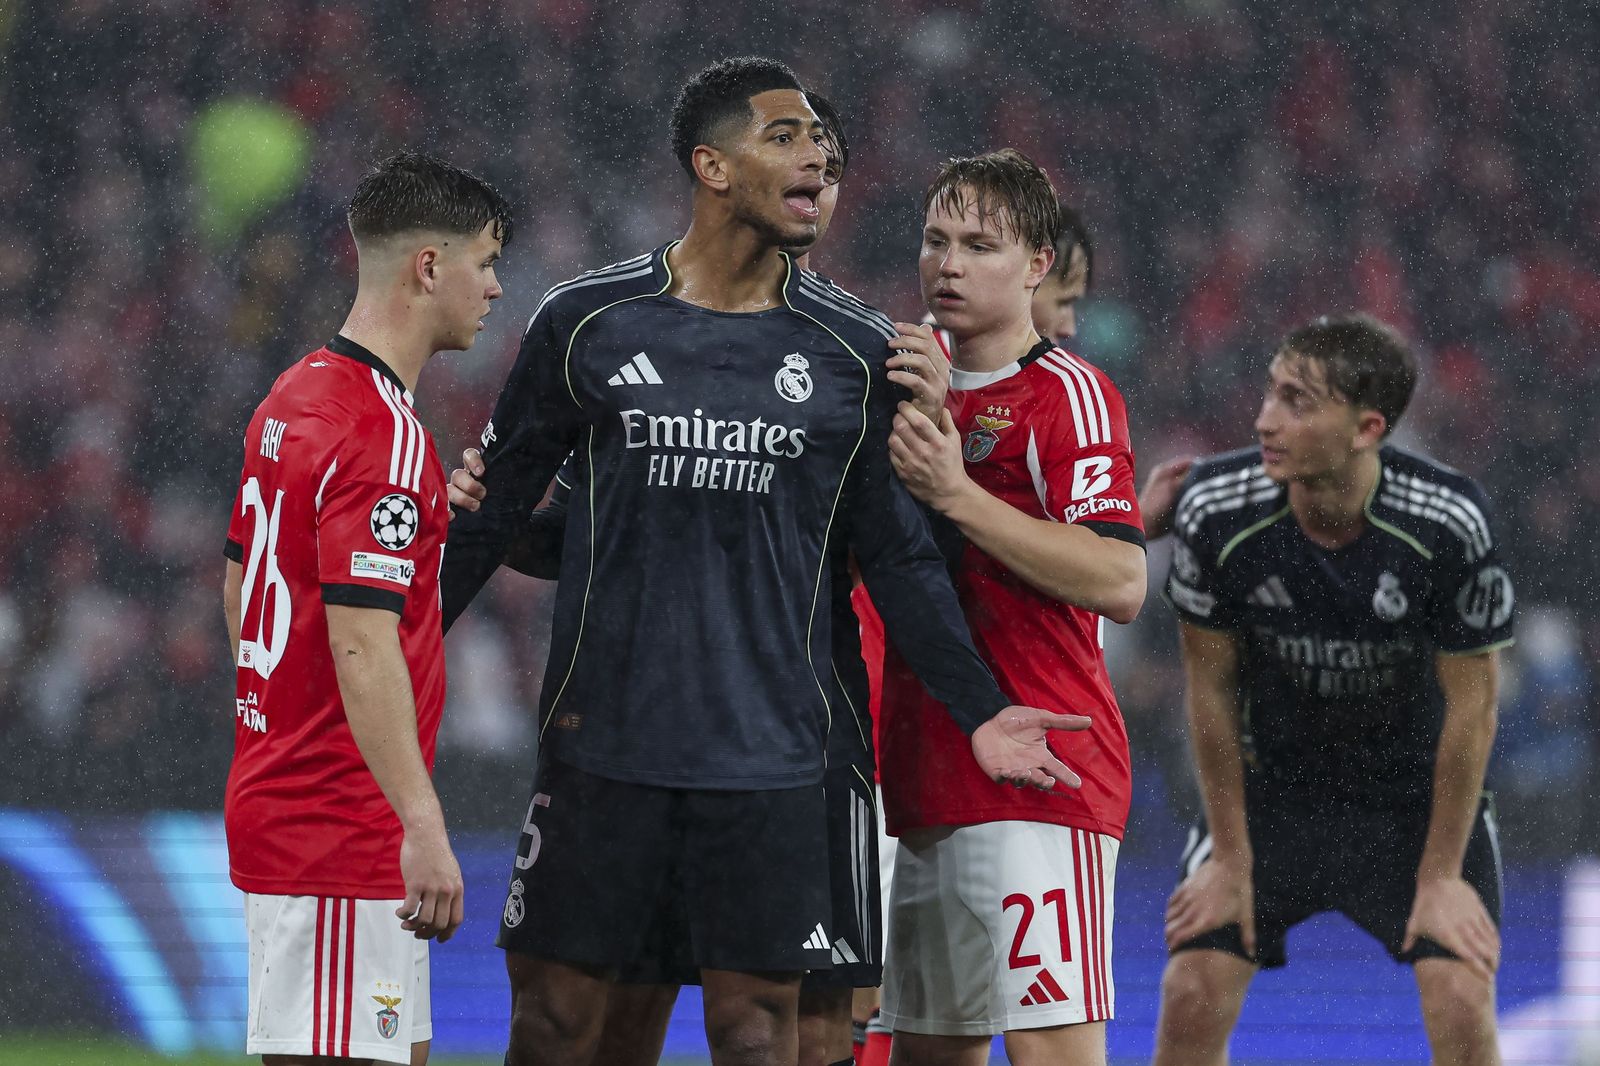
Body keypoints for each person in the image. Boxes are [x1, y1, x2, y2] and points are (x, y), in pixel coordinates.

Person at [437, 58, 1081, 1066]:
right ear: (712, 166)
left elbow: (898, 558)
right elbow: (494, 516)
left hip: (782, 759)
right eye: (786, 137)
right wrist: (389, 652)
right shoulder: (586, 322)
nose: (818, 157)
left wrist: (981, 707)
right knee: (560, 1030)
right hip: (605, 747)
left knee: (755, 1035)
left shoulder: (859, 352)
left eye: (824, 144)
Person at [1152, 314, 1513, 1066]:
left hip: (1411, 802)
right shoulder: (1215, 508)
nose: (1264, 419)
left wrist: (1441, 878)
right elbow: (1209, 690)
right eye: (1269, 392)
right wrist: (1231, 861)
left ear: (1367, 428)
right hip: (1271, 795)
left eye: (1297, 401)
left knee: (1459, 996)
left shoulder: (1449, 522)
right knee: (1190, 991)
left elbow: (1474, 708)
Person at [221, 151, 510, 1066]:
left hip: (294, 800)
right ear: (428, 266)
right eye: (485, 261)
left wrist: (280, 720)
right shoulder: (383, 433)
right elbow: (360, 641)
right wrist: (421, 823)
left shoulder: (296, 393)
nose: (495, 287)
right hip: (340, 826)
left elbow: (240, 588)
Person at [877, 149, 1147, 1066]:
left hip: (1042, 776)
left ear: (1038, 264)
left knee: (1051, 1054)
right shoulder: (899, 384)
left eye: (978, 245)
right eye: (935, 240)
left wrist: (955, 492)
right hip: (923, 770)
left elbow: (1121, 579)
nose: (947, 264)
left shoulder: (1067, 394)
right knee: (925, 1053)